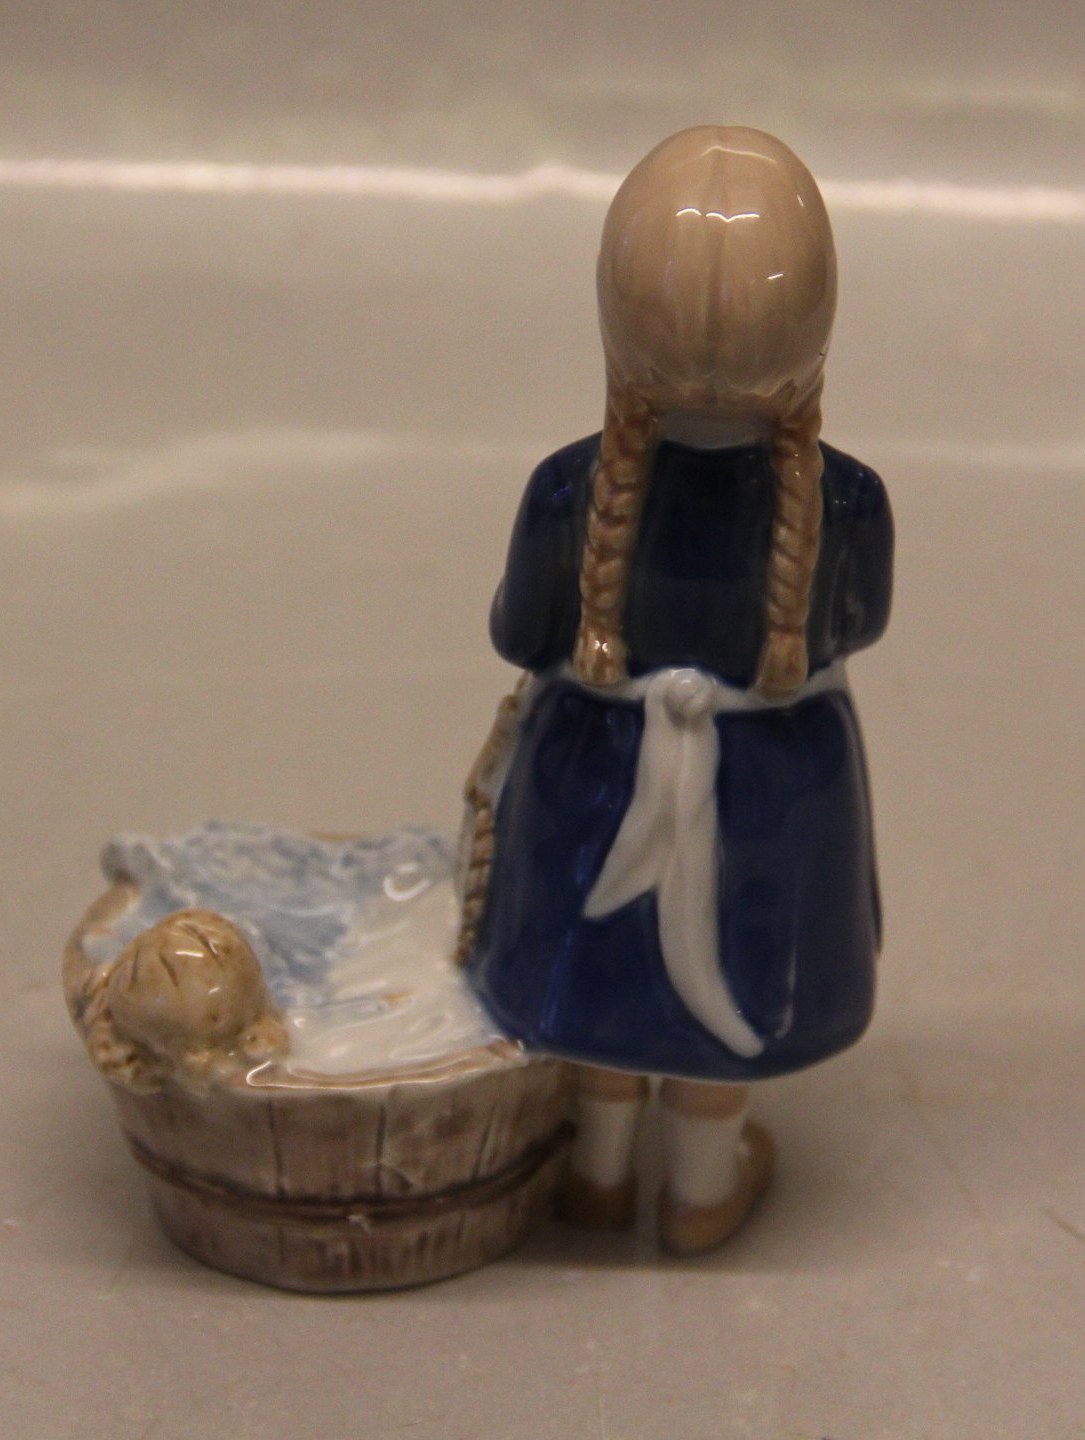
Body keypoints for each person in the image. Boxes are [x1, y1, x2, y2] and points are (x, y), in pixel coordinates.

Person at [457, 126, 893, 1255]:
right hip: (773, 780)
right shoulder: (848, 502)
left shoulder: (567, 490)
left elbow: (518, 633)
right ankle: (700, 1192)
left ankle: (596, 1172)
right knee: (730, 984)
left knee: (603, 963)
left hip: (594, 764)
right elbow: (862, 625)